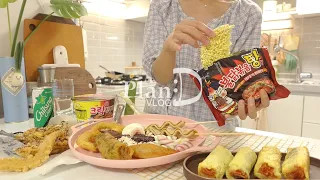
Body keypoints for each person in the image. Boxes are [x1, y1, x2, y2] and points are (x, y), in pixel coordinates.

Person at [142, 0, 270, 122]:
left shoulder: (248, 13)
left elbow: (240, 84)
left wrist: (247, 101)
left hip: (215, 127)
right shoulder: (163, 5)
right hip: (162, 121)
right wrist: (169, 49)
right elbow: (161, 78)